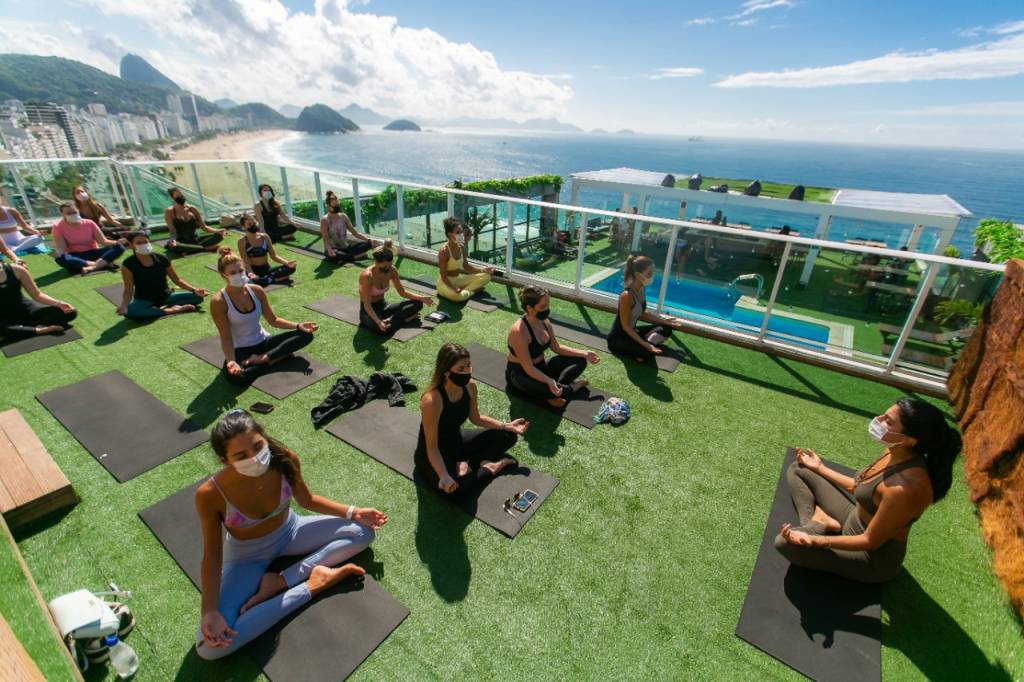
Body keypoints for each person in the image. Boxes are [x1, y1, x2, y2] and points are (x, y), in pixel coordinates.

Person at [194, 409, 386, 660]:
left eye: (257, 446)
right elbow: (212, 554)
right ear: (225, 460)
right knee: (208, 648)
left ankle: (283, 581)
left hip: (291, 531)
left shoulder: (285, 460)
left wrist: (353, 511)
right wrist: (209, 611)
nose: (254, 458)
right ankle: (311, 585)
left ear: (264, 438)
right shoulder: (210, 494)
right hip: (246, 557)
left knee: (363, 533)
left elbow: (307, 499)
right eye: (241, 455)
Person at [775, 398, 962, 583]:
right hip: (853, 518)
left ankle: (816, 527)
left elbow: (869, 541)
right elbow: (858, 486)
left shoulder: (906, 488)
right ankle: (821, 522)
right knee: (798, 469)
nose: (878, 420)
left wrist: (816, 541)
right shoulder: (893, 451)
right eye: (883, 415)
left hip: (870, 557)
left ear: (910, 440)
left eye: (888, 421)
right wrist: (820, 468)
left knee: (784, 544)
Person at [416, 343, 526, 500]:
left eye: (468, 366)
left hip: (457, 440)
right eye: (461, 369)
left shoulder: (470, 386)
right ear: (446, 372)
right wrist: (444, 476)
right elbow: (431, 446)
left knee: (508, 436)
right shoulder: (432, 400)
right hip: (434, 453)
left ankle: (468, 464)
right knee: (456, 491)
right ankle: (491, 468)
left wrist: (506, 426)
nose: (467, 371)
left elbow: (476, 418)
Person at [210, 247, 317, 385]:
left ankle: (262, 359)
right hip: (240, 349)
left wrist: (298, 325)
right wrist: (231, 361)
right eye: (233, 273)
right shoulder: (219, 301)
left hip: (263, 342)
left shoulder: (256, 290)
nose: (238, 275)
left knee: (306, 335)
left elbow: (273, 320)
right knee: (236, 378)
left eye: (241, 271)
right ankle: (274, 358)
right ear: (223, 275)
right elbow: (226, 337)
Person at [505, 285, 599, 408]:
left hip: (542, 368)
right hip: (521, 375)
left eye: (548, 304)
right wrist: (549, 381)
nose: (547, 309)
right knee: (551, 388)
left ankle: (552, 393)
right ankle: (571, 387)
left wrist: (584, 353)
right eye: (543, 307)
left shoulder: (544, 322)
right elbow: (528, 367)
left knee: (580, 360)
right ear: (530, 308)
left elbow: (557, 348)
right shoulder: (519, 331)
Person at [117, 232, 206, 320]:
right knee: (129, 312)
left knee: (198, 297)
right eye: (139, 243)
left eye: (145, 242)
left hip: (166, 296)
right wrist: (124, 305)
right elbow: (128, 289)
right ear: (131, 245)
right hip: (144, 300)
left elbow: (177, 280)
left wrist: (194, 290)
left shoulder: (162, 259)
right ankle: (170, 310)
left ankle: (160, 309)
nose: (143, 245)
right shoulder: (128, 264)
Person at [607, 255, 674, 363]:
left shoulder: (642, 288)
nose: (652, 276)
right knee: (648, 354)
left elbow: (642, 313)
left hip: (633, 332)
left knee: (666, 328)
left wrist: (664, 321)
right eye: (649, 273)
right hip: (619, 338)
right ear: (638, 275)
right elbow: (626, 327)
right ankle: (643, 348)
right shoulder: (626, 295)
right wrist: (647, 345)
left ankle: (643, 346)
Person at [358, 239, 434, 334]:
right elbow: (367, 305)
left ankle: (391, 319)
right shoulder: (367, 276)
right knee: (383, 329)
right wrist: (378, 322)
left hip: (384, 306)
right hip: (368, 311)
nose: (388, 269)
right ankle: (406, 320)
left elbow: (402, 292)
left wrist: (422, 298)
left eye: (390, 265)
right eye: (385, 266)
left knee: (418, 303)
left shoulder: (392, 270)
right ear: (376, 262)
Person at [0, 260, 76, 342]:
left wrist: (59, 303)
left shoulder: (16, 270)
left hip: (26, 310)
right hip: (3, 317)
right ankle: (38, 330)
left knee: (69, 312)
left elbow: (37, 295)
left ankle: (20, 330)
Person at [51, 202, 126, 275]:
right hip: (76, 256)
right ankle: (100, 264)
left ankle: (93, 267)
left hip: (94, 252)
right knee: (60, 259)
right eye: (68, 213)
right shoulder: (57, 226)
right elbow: (61, 247)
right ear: (63, 214)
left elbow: (103, 241)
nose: (72, 215)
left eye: (74, 212)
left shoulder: (89, 223)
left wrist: (117, 242)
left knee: (120, 247)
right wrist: (58, 253)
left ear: (78, 211)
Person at [436, 218, 494, 302]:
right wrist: (453, 288)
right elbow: (443, 276)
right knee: (457, 296)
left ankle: (464, 291)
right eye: (458, 232)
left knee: (486, 276)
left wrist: (483, 270)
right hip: (445, 284)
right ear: (450, 234)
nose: (461, 235)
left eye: (461, 232)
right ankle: (472, 291)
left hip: (458, 280)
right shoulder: (444, 251)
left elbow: (466, 267)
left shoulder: (461, 245)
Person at [237, 214, 296, 287]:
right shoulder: (242, 241)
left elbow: (274, 256)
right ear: (243, 227)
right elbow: (245, 261)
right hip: (254, 270)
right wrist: (250, 273)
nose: (253, 225)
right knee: (253, 282)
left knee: (291, 268)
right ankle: (274, 279)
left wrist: (287, 263)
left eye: (254, 223)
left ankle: (266, 279)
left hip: (267, 269)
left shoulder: (265, 237)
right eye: (249, 224)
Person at [164, 187, 225, 256]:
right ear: (173, 198)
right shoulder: (169, 211)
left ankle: (189, 250)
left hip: (195, 239)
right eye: (178, 196)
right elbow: (172, 230)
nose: (181, 197)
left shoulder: (193, 209)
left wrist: (217, 231)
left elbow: (204, 227)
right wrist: (173, 240)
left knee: (219, 236)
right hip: (180, 241)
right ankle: (205, 248)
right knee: (175, 246)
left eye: (181, 195)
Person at [319, 190, 372, 264]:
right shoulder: (325, 220)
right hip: (334, 249)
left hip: (347, 248)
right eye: (335, 205)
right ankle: (355, 257)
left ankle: (344, 259)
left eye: (338, 204)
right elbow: (325, 238)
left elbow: (355, 233)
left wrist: (369, 240)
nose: (337, 206)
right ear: (328, 206)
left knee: (367, 244)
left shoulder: (343, 216)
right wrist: (329, 249)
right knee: (332, 254)